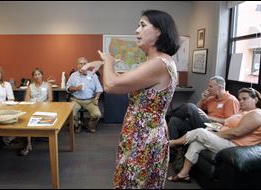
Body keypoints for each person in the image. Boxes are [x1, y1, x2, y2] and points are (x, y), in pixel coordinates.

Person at [82, 10, 180, 189]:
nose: (136, 30)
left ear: (159, 31)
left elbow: (111, 85)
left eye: (142, 25)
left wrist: (109, 62)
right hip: (141, 133)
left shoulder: (158, 64)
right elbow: (126, 79)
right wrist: (103, 64)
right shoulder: (160, 62)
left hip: (143, 137)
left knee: (134, 183)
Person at [167, 87, 261, 183]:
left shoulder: (257, 114)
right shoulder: (243, 112)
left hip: (236, 147)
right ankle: (183, 174)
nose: (241, 101)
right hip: (227, 139)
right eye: (240, 99)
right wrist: (218, 126)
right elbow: (229, 124)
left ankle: (172, 143)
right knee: (196, 142)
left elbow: (236, 132)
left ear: (255, 100)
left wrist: (215, 134)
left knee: (200, 132)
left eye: (244, 99)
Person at [166, 76, 240, 140]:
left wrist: (208, 117)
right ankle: (172, 149)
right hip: (205, 124)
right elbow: (194, 111)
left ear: (220, 87)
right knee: (174, 120)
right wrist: (202, 99)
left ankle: (166, 116)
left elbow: (228, 122)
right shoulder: (211, 98)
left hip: (215, 128)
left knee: (190, 106)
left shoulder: (231, 100)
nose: (208, 88)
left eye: (210, 86)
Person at [20, 68, 53, 156]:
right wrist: (32, 106)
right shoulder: (30, 86)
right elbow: (26, 99)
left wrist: (42, 105)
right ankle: (28, 144)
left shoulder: (48, 85)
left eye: (39, 74)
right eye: (35, 75)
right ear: (33, 76)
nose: (37, 76)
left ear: (42, 75)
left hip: (44, 108)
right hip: (31, 107)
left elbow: (50, 99)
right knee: (27, 121)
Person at [66, 57, 103, 133]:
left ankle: (90, 126)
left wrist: (96, 98)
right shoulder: (73, 75)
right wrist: (76, 88)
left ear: (88, 65)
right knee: (71, 114)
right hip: (76, 100)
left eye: (84, 63)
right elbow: (68, 88)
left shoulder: (93, 75)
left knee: (97, 114)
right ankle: (77, 125)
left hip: (90, 100)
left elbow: (99, 89)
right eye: (80, 63)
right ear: (77, 65)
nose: (82, 65)